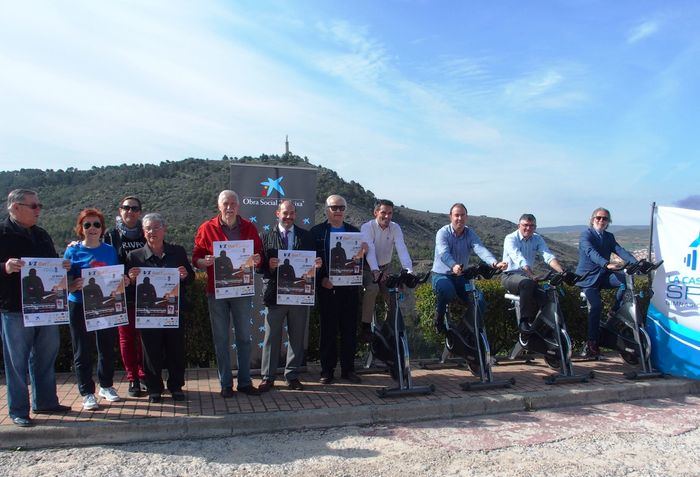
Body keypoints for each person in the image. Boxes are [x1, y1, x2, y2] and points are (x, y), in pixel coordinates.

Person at [1, 189, 72, 427]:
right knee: (16, 362)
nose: (38, 210)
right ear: (15, 207)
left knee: (45, 356)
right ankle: (18, 410)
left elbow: (51, 263)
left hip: (47, 308)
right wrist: (5, 267)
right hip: (15, 309)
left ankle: (45, 401)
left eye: (39, 205)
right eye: (33, 206)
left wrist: (61, 265)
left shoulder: (41, 234)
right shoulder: (1, 233)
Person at [192, 190, 263, 397]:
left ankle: (244, 381)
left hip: (242, 291)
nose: (229, 207)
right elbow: (196, 257)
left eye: (233, 203)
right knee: (221, 338)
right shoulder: (207, 228)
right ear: (219, 206)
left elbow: (258, 254)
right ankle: (225, 383)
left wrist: (257, 259)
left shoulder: (249, 227)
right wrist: (202, 262)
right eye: (226, 204)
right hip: (217, 292)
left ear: (238, 206)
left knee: (244, 338)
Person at [126, 213, 194, 403]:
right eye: (148, 228)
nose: (152, 232)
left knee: (175, 349)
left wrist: (184, 275)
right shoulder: (134, 256)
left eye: (156, 227)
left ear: (164, 229)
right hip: (149, 314)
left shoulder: (178, 252)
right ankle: (154, 388)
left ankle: (176, 386)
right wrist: (130, 279)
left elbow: (191, 279)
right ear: (143, 232)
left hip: (173, 310)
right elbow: (128, 287)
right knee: (150, 351)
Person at [64, 208, 125, 411]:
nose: (92, 228)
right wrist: (73, 285)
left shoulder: (109, 250)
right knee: (82, 349)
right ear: (81, 228)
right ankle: (87, 392)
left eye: (96, 224)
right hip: (79, 304)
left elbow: (114, 275)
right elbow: (63, 280)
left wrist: (122, 281)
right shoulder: (72, 251)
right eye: (87, 224)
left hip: (104, 304)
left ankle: (106, 386)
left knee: (106, 347)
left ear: (102, 228)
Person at [258, 200, 321, 392]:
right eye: (285, 213)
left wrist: (318, 264)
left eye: (292, 213)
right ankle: (267, 377)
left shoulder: (306, 236)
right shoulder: (266, 236)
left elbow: (315, 261)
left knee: (296, 336)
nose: (289, 217)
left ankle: (291, 375)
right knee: (271, 337)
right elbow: (258, 267)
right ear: (277, 213)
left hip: (299, 295)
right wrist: (268, 265)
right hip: (274, 295)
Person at [311, 194, 367, 385]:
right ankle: (327, 371)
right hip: (328, 289)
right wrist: (321, 280)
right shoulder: (317, 232)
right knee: (328, 331)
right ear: (326, 209)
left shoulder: (354, 232)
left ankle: (348, 369)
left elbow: (360, 263)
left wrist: (363, 253)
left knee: (349, 331)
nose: (338, 211)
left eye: (341, 208)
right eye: (334, 207)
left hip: (350, 289)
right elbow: (309, 261)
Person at [431, 203, 507, 332]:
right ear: (451, 217)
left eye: (462, 215)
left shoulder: (469, 233)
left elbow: (480, 248)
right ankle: (438, 319)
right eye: (456, 215)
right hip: (441, 275)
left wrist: (494, 263)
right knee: (447, 291)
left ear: (466, 217)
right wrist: (453, 265)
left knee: (480, 301)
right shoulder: (442, 233)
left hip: (461, 276)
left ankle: (464, 330)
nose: (459, 218)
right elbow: (443, 253)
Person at [576, 207, 638, 358]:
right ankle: (592, 342)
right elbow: (591, 253)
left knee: (625, 281)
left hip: (603, 276)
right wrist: (606, 264)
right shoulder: (586, 235)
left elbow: (620, 250)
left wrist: (637, 263)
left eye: (605, 219)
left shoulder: (609, 236)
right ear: (592, 219)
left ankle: (614, 311)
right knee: (596, 306)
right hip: (588, 279)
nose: (601, 221)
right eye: (598, 218)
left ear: (608, 222)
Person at [104, 196, 147, 397]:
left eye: (134, 208)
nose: (129, 211)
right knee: (127, 338)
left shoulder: (146, 232)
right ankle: (133, 378)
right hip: (122, 294)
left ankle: (145, 374)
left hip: (146, 293)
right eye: (125, 207)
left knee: (146, 338)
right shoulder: (111, 235)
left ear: (140, 212)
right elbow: (102, 259)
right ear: (120, 210)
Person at [359, 199, 413, 341]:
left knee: (393, 292)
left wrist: (409, 270)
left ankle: (390, 327)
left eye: (390, 213)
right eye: (383, 213)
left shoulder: (395, 228)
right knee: (372, 289)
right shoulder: (367, 227)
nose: (387, 216)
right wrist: (375, 271)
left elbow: (402, 248)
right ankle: (365, 326)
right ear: (376, 212)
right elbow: (369, 250)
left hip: (385, 267)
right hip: (367, 268)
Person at [502, 214, 565, 333]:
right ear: (518, 226)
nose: (528, 228)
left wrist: (562, 272)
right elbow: (518, 258)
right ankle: (524, 322)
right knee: (527, 283)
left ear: (535, 227)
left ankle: (549, 328)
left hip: (527, 277)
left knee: (547, 297)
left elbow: (548, 256)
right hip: (510, 276)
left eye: (532, 226)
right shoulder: (510, 238)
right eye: (525, 225)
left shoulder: (537, 238)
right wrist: (531, 275)